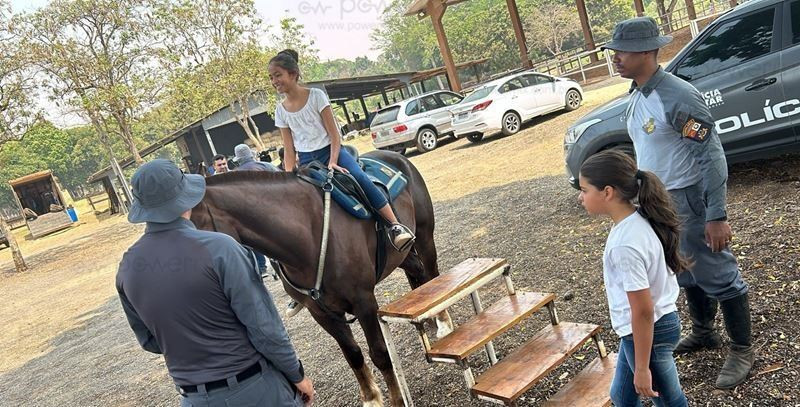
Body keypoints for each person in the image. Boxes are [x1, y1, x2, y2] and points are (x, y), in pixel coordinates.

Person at [603, 16, 753, 389]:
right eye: (614, 50)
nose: (615, 57)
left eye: (623, 50)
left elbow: (711, 155)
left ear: (649, 51)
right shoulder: (638, 94)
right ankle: (704, 331)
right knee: (682, 269)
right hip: (659, 202)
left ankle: (743, 348)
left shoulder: (677, 95)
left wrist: (716, 215)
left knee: (718, 273)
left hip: (687, 198)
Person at [116, 159, 313, 407]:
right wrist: (296, 374)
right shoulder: (220, 248)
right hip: (254, 388)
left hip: (193, 398)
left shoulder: (127, 267)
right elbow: (264, 327)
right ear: (186, 198)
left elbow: (150, 341)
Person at [268, 48, 414, 249]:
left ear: (293, 74)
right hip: (307, 161)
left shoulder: (316, 96)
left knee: (358, 177)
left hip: (330, 151)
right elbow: (288, 147)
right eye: (271, 77)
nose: (274, 81)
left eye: (278, 75)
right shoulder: (280, 109)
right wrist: (287, 176)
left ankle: (395, 226)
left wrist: (333, 161)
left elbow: (334, 133)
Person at [580, 150, 688, 406]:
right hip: (647, 329)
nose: (580, 197)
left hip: (648, 333)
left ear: (607, 192)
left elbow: (642, 310)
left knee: (670, 401)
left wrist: (641, 368)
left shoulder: (625, 244)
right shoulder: (639, 217)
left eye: (584, 190)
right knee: (621, 396)